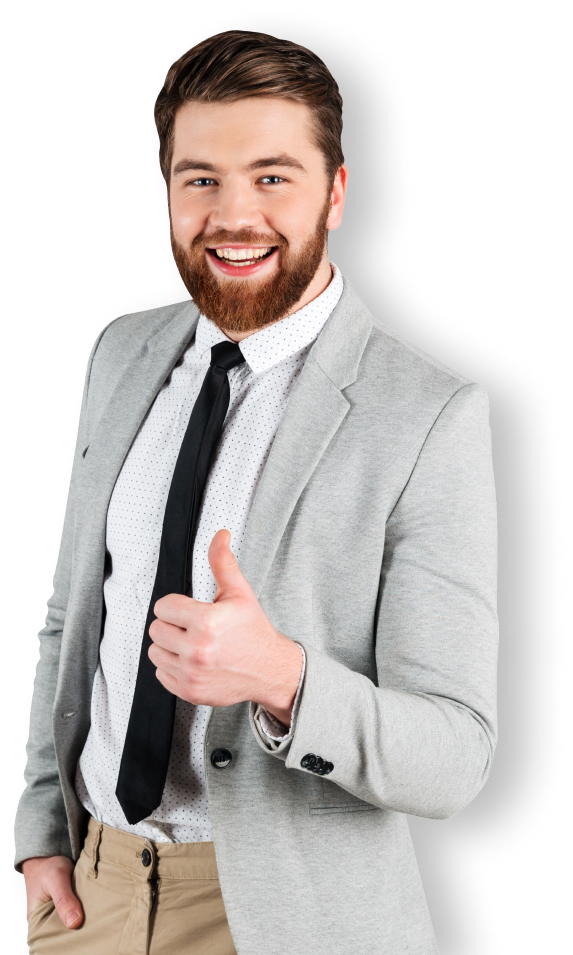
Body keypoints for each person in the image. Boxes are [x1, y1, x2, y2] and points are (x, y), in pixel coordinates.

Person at [15, 29, 498, 955]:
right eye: (200, 179)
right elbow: (72, 617)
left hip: (284, 918)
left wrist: (282, 678)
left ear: (336, 193)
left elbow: (453, 755)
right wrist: (42, 825)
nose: (233, 216)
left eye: (272, 177)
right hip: (92, 898)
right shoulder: (121, 354)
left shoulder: (429, 411)